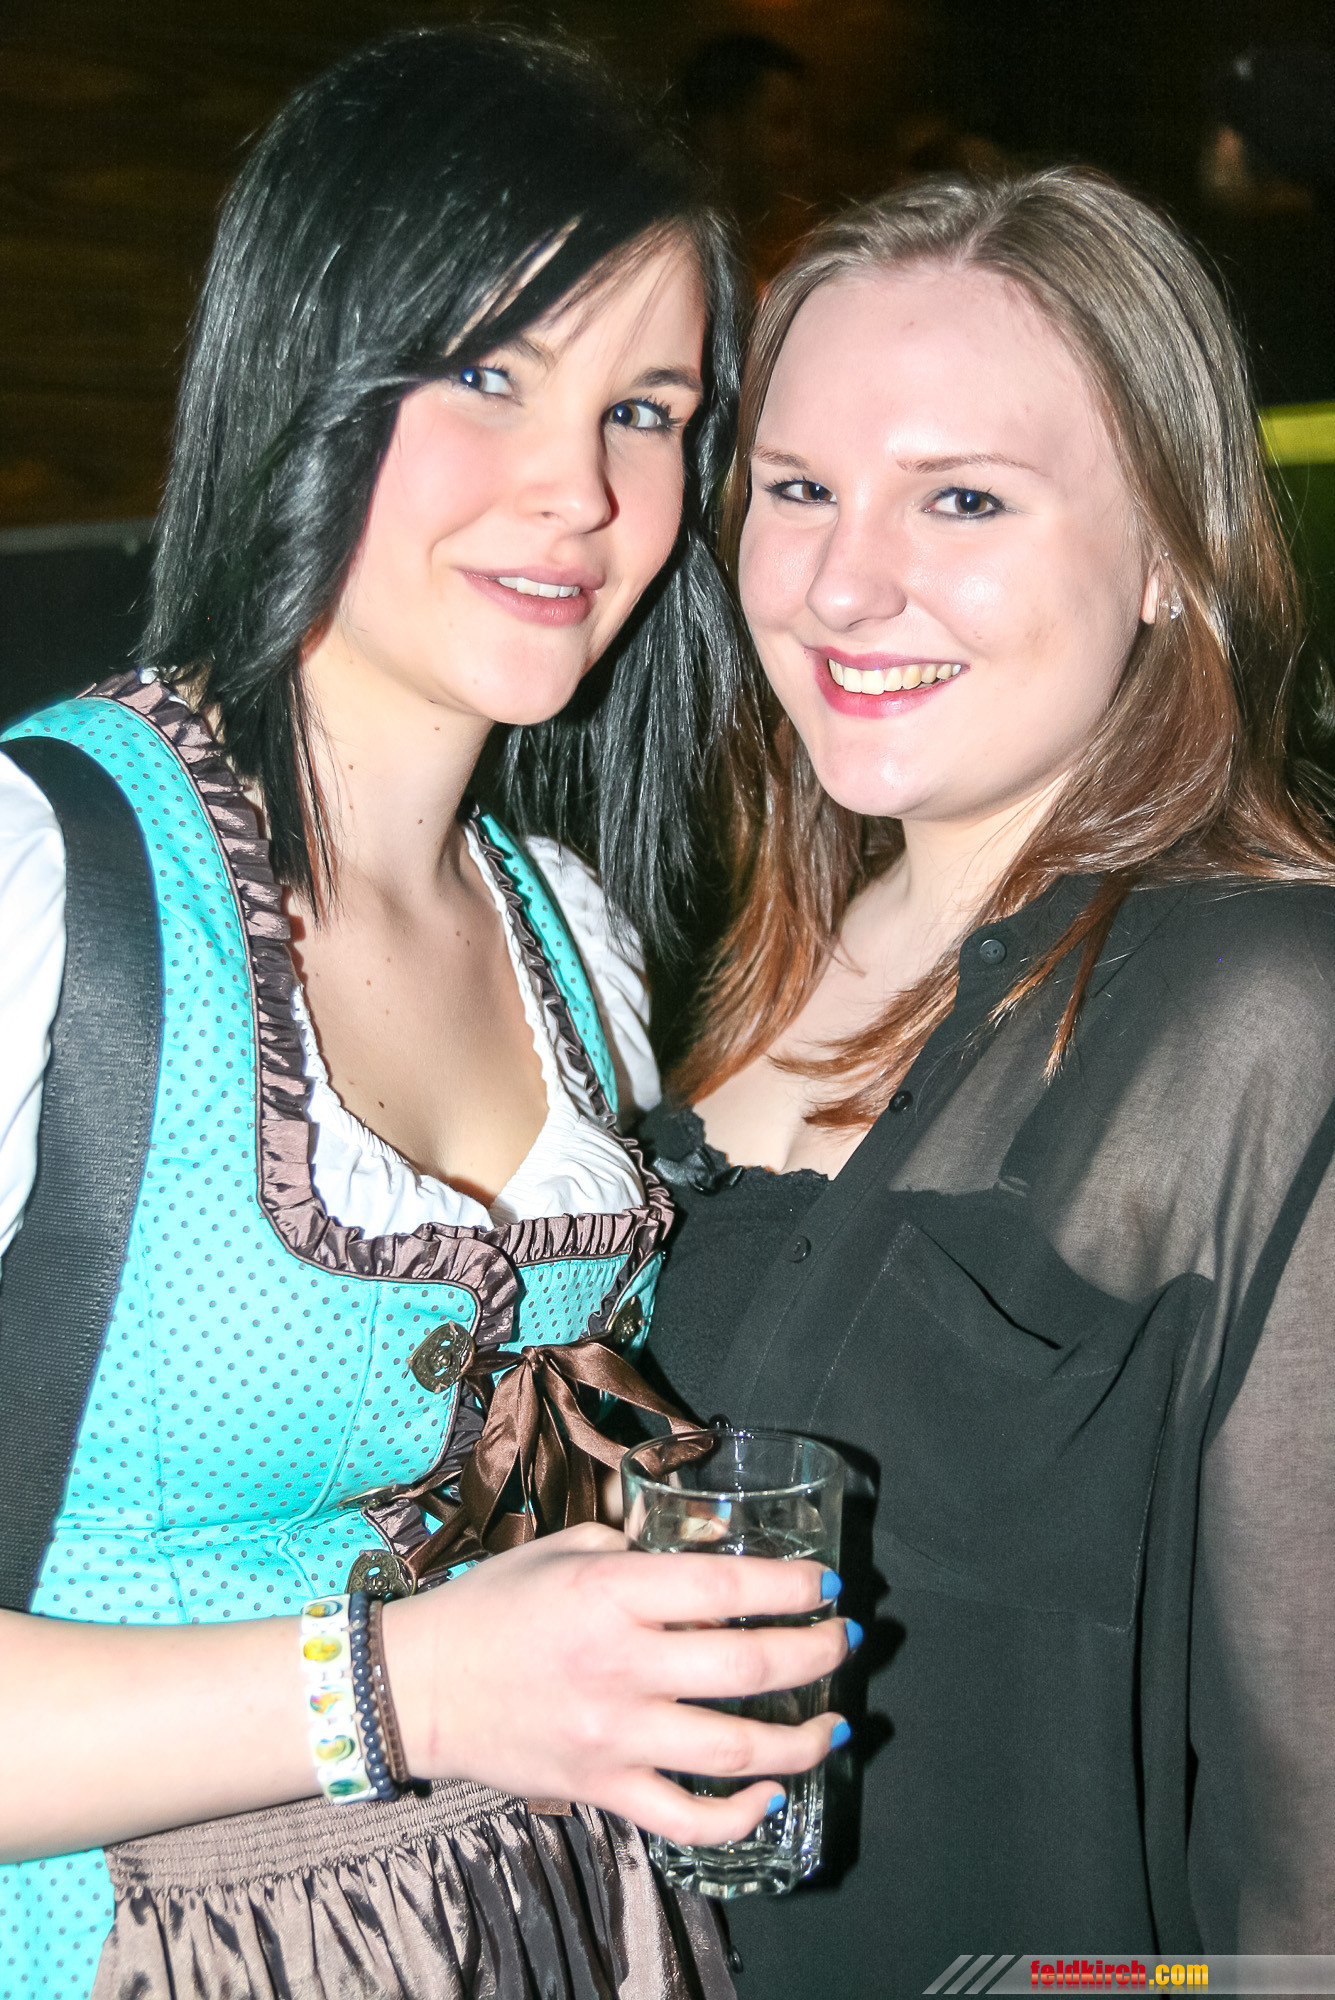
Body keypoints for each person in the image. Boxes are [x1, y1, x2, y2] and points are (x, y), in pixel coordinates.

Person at [0, 29, 855, 1999]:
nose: (581, 491)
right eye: (487, 373)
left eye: (646, 410)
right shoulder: (48, 879)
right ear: (310, 361)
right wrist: (406, 1686)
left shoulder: (573, 939)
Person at [641, 169, 1335, 1990]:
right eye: (797, 489)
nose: (842, 584)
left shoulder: (1267, 1014)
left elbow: (1317, 1873)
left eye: (962, 498)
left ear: (1172, 549)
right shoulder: (689, 971)